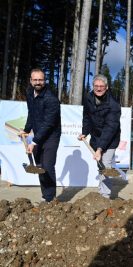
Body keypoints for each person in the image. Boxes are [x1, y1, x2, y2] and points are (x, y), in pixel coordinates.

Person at [20, 68, 61, 202]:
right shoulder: (29, 93)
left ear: (44, 80)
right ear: (31, 81)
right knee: (39, 166)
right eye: (35, 79)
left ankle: (50, 199)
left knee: (47, 166)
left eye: (41, 80)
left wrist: (34, 141)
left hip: (51, 136)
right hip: (38, 134)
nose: (38, 82)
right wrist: (26, 130)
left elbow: (49, 124)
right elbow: (31, 113)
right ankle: (46, 196)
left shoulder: (51, 99)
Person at [78, 74, 121, 199]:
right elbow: (87, 117)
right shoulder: (88, 98)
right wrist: (85, 132)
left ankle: (105, 196)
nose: (98, 88)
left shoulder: (113, 103)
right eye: (96, 86)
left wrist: (100, 148)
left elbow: (110, 128)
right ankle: (103, 187)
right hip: (96, 137)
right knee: (100, 164)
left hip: (111, 138)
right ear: (93, 86)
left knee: (105, 165)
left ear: (106, 87)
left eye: (101, 86)